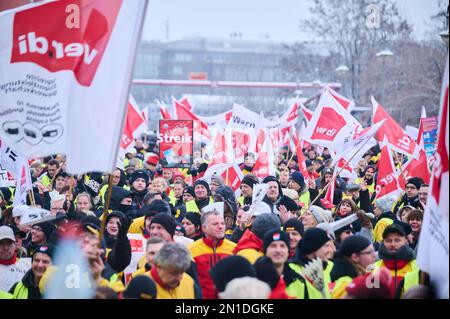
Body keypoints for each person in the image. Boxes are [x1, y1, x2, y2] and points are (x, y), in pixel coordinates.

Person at [189, 211, 236, 299]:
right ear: (204, 228)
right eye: (215, 224)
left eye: (222, 223)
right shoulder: (191, 250)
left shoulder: (234, 249)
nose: (220, 226)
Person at [285, 228, 335, 299]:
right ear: (313, 247)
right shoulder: (291, 271)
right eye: (326, 246)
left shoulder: (331, 266)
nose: (330, 250)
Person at [373, 224, 418, 295]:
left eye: (397, 240)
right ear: (383, 242)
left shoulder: (418, 266)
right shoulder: (372, 268)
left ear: (405, 241)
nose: (393, 244)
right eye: (388, 241)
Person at [254, 229, 291, 299]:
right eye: (273, 246)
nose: (278, 250)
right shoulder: (253, 279)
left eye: (282, 246)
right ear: (265, 250)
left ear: (288, 251)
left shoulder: (298, 279)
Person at [0, 226, 31, 292]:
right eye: (1, 243)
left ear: (15, 244)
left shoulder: (27, 265)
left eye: (9, 243)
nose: (5, 248)